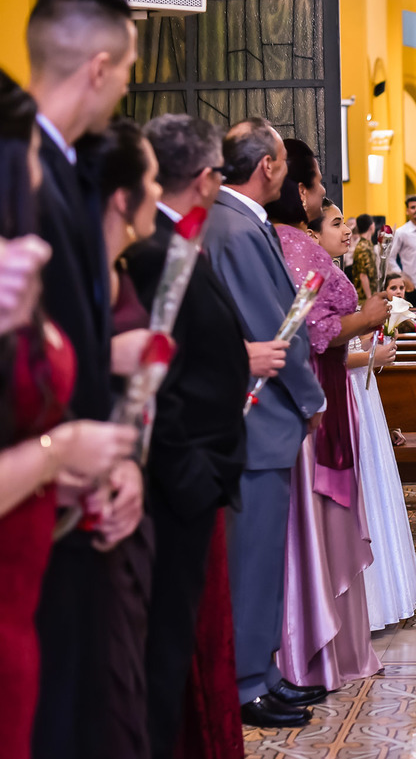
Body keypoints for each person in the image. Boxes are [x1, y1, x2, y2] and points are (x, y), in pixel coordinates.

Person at [120, 113, 270, 759]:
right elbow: (153, 371)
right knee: (162, 650)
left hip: (193, 470)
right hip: (177, 474)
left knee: (178, 641)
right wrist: (192, 469)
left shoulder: (176, 240)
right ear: (207, 178)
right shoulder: (156, 249)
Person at [25, 0, 149, 759]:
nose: (127, 85)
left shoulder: (68, 169)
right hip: (37, 484)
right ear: (100, 67)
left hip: (80, 477)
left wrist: (116, 448)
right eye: (130, 69)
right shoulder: (25, 174)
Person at [0, 69, 139, 759]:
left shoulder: (21, 268)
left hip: (30, 575)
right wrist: (63, 450)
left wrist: (98, 464)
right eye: (29, 162)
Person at [203, 119, 327, 728]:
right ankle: (246, 679)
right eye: (281, 162)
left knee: (263, 553)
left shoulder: (236, 221)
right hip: (256, 412)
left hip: (259, 412)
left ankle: (265, 670)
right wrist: (311, 399)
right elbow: (273, 328)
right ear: (268, 168)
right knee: (251, 555)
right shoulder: (234, 226)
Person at [267, 142, 386, 693]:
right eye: (316, 184)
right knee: (315, 521)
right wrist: (366, 318)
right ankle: (318, 650)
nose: (320, 193)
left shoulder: (294, 243)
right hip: (318, 400)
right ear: (300, 192)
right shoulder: (296, 247)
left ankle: (335, 647)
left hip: (330, 393)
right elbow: (311, 331)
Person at [86, 116, 163, 759]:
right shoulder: (83, 273)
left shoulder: (121, 264)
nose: (158, 191)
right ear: (122, 196)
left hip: (128, 468)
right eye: (151, 180)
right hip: (90, 485)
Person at [341, 213, 416, 629]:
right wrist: (372, 353)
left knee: (372, 481)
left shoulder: (340, 273)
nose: (346, 232)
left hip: (361, 391)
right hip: (348, 389)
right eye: (337, 224)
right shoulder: (323, 275)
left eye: (347, 226)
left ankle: (381, 593)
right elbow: (322, 343)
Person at [393, 195, 416, 308]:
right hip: (412, 284)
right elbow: (390, 257)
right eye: (413, 207)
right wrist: (402, 277)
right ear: (407, 211)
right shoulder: (402, 232)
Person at [350, 213, 377, 301]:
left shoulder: (367, 244)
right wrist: (369, 298)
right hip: (364, 298)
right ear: (371, 226)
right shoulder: (363, 247)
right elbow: (363, 275)